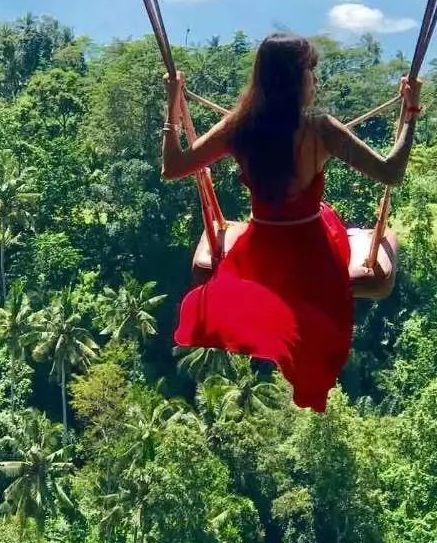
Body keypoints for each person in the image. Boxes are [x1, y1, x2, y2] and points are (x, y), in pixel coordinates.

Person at [162, 33, 420, 412]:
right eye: (311, 72)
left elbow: (173, 168)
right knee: (387, 242)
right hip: (313, 253)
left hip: (261, 252)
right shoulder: (321, 128)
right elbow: (391, 172)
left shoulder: (240, 126)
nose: (316, 81)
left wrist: (172, 109)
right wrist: (410, 115)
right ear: (296, 79)